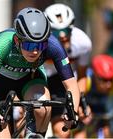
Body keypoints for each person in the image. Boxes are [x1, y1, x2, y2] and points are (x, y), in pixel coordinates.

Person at [0, 7, 80, 138]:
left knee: (43, 107)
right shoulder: (2, 44)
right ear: (17, 41)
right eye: (29, 46)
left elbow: (71, 85)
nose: (35, 51)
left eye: (40, 45)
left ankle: (35, 135)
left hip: (29, 79)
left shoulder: (53, 45)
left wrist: (73, 113)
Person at [44, 3, 92, 138]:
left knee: (71, 132)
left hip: (67, 80)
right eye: (58, 34)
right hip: (43, 78)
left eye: (67, 31)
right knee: (56, 128)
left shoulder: (83, 42)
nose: (63, 36)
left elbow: (82, 76)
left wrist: (80, 101)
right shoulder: (40, 44)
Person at [80, 54, 113, 138]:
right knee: (80, 136)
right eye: (104, 80)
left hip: (104, 113)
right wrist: (81, 111)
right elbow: (75, 100)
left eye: (111, 79)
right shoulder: (86, 81)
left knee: (107, 132)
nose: (109, 84)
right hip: (85, 111)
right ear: (95, 75)